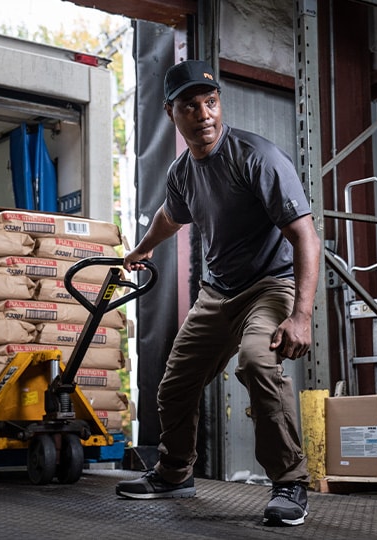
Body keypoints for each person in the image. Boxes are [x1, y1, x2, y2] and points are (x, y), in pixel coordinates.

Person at [116, 59, 321, 527]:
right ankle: (173, 473)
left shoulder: (256, 156)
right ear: (172, 113)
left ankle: (289, 483)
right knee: (174, 385)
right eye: (191, 106)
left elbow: (305, 237)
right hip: (219, 292)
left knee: (255, 362)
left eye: (211, 102)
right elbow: (172, 215)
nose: (205, 114)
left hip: (271, 284)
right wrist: (142, 250)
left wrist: (301, 316)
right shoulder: (183, 171)